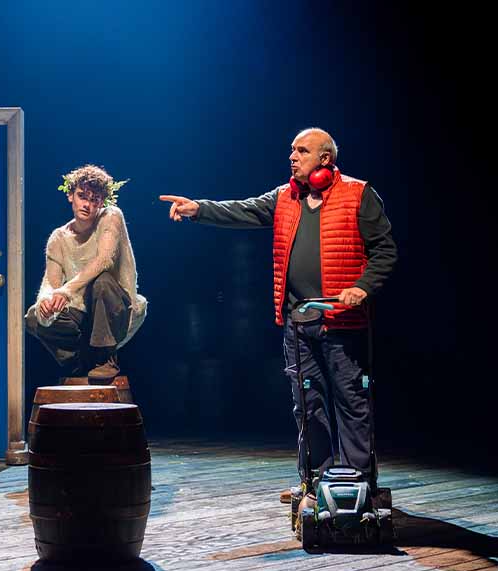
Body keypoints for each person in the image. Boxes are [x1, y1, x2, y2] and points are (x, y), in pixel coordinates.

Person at [160, 128, 396, 518]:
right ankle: (316, 482)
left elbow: (385, 250)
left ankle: (358, 484)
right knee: (308, 406)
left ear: (325, 159)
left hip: (343, 322)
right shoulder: (285, 197)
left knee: (352, 403)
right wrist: (197, 208)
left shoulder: (358, 194)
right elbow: (242, 210)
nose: (292, 156)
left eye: (302, 150)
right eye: (291, 149)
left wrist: (363, 287)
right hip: (299, 323)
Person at [25, 165, 147, 380]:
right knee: (34, 317)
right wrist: (46, 300)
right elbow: (50, 282)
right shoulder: (59, 237)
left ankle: (105, 358)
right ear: (70, 196)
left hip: (116, 307)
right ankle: (80, 361)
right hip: (81, 314)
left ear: (102, 202)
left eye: (95, 199)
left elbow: (104, 260)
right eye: (82, 196)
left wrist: (66, 291)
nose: (87, 205)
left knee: (102, 281)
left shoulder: (111, 216)